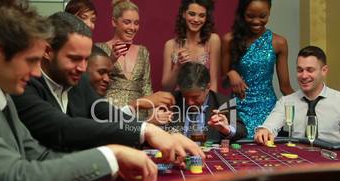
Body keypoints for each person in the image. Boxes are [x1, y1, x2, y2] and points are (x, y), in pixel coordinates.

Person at [0, 1, 157, 181]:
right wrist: (111, 155)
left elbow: (39, 156)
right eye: (31, 61)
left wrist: (112, 167)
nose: (36, 71)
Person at [11, 12, 204, 160]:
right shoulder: (23, 85)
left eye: (86, 60)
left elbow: (108, 114)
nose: (82, 68)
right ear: (47, 51)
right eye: (74, 59)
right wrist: (146, 132)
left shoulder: (78, 81)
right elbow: (63, 127)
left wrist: (156, 132)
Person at [254, 46, 340, 144]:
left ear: (324, 71)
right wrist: (265, 130)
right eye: (300, 70)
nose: (304, 76)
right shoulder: (286, 102)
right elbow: (269, 127)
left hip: (332, 160)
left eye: (310, 70)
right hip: (297, 160)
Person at [221, 0, 294, 138]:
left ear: (269, 13)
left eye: (263, 16)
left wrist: (308, 104)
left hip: (267, 111)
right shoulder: (229, 40)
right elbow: (223, 75)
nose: (256, 21)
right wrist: (231, 72)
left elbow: (285, 87)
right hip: (238, 110)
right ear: (243, 14)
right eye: (250, 16)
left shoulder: (279, 42)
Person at [87, 45, 173, 125]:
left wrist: (148, 118)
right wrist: (139, 106)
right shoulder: (82, 101)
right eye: (101, 72)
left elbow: (113, 127)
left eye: (109, 74)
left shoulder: (98, 102)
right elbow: (105, 131)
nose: (107, 79)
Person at [97, 0, 152, 120]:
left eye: (136, 23)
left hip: (138, 115)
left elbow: (146, 87)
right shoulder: (99, 49)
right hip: (109, 113)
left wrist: (151, 115)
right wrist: (111, 60)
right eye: (127, 22)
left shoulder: (143, 51)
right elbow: (92, 83)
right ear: (114, 22)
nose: (132, 28)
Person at [167, 62, 247, 141]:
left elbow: (242, 130)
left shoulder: (224, 103)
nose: (190, 102)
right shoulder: (171, 102)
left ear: (208, 87)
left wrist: (227, 129)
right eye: (185, 96)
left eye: (195, 97)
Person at [161, 0, 220, 92]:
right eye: (192, 14)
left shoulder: (213, 40)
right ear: (184, 14)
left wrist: (211, 105)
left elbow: (213, 83)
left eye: (201, 15)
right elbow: (167, 88)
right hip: (178, 101)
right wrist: (178, 66)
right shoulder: (170, 45)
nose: (196, 20)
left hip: (204, 102)